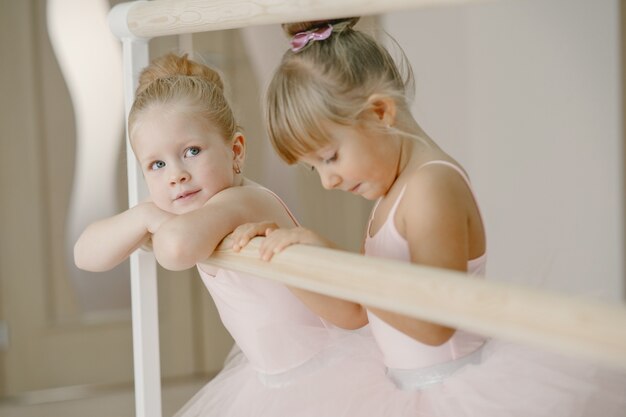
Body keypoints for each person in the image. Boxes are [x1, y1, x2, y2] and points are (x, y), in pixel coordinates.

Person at [232, 18, 626, 416]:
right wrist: (290, 260)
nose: (327, 181)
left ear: (381, 112)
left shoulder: (430, 186)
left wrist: (341, 264)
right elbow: (358, 313)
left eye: (330, 157)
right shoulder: (391, 192)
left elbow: (434, 322)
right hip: (406, 386)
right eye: (313, 168)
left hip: (454, 391)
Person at [74, 52, 387, 417]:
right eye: (156, 164)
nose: (176, 175)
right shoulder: (193, 209)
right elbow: (86, 254)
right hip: (272, 378)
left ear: (235, 150)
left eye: (191, 151)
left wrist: (156, 223)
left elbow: (175, 250)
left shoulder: (242, 200)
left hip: (325, 374)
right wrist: (145, 213)